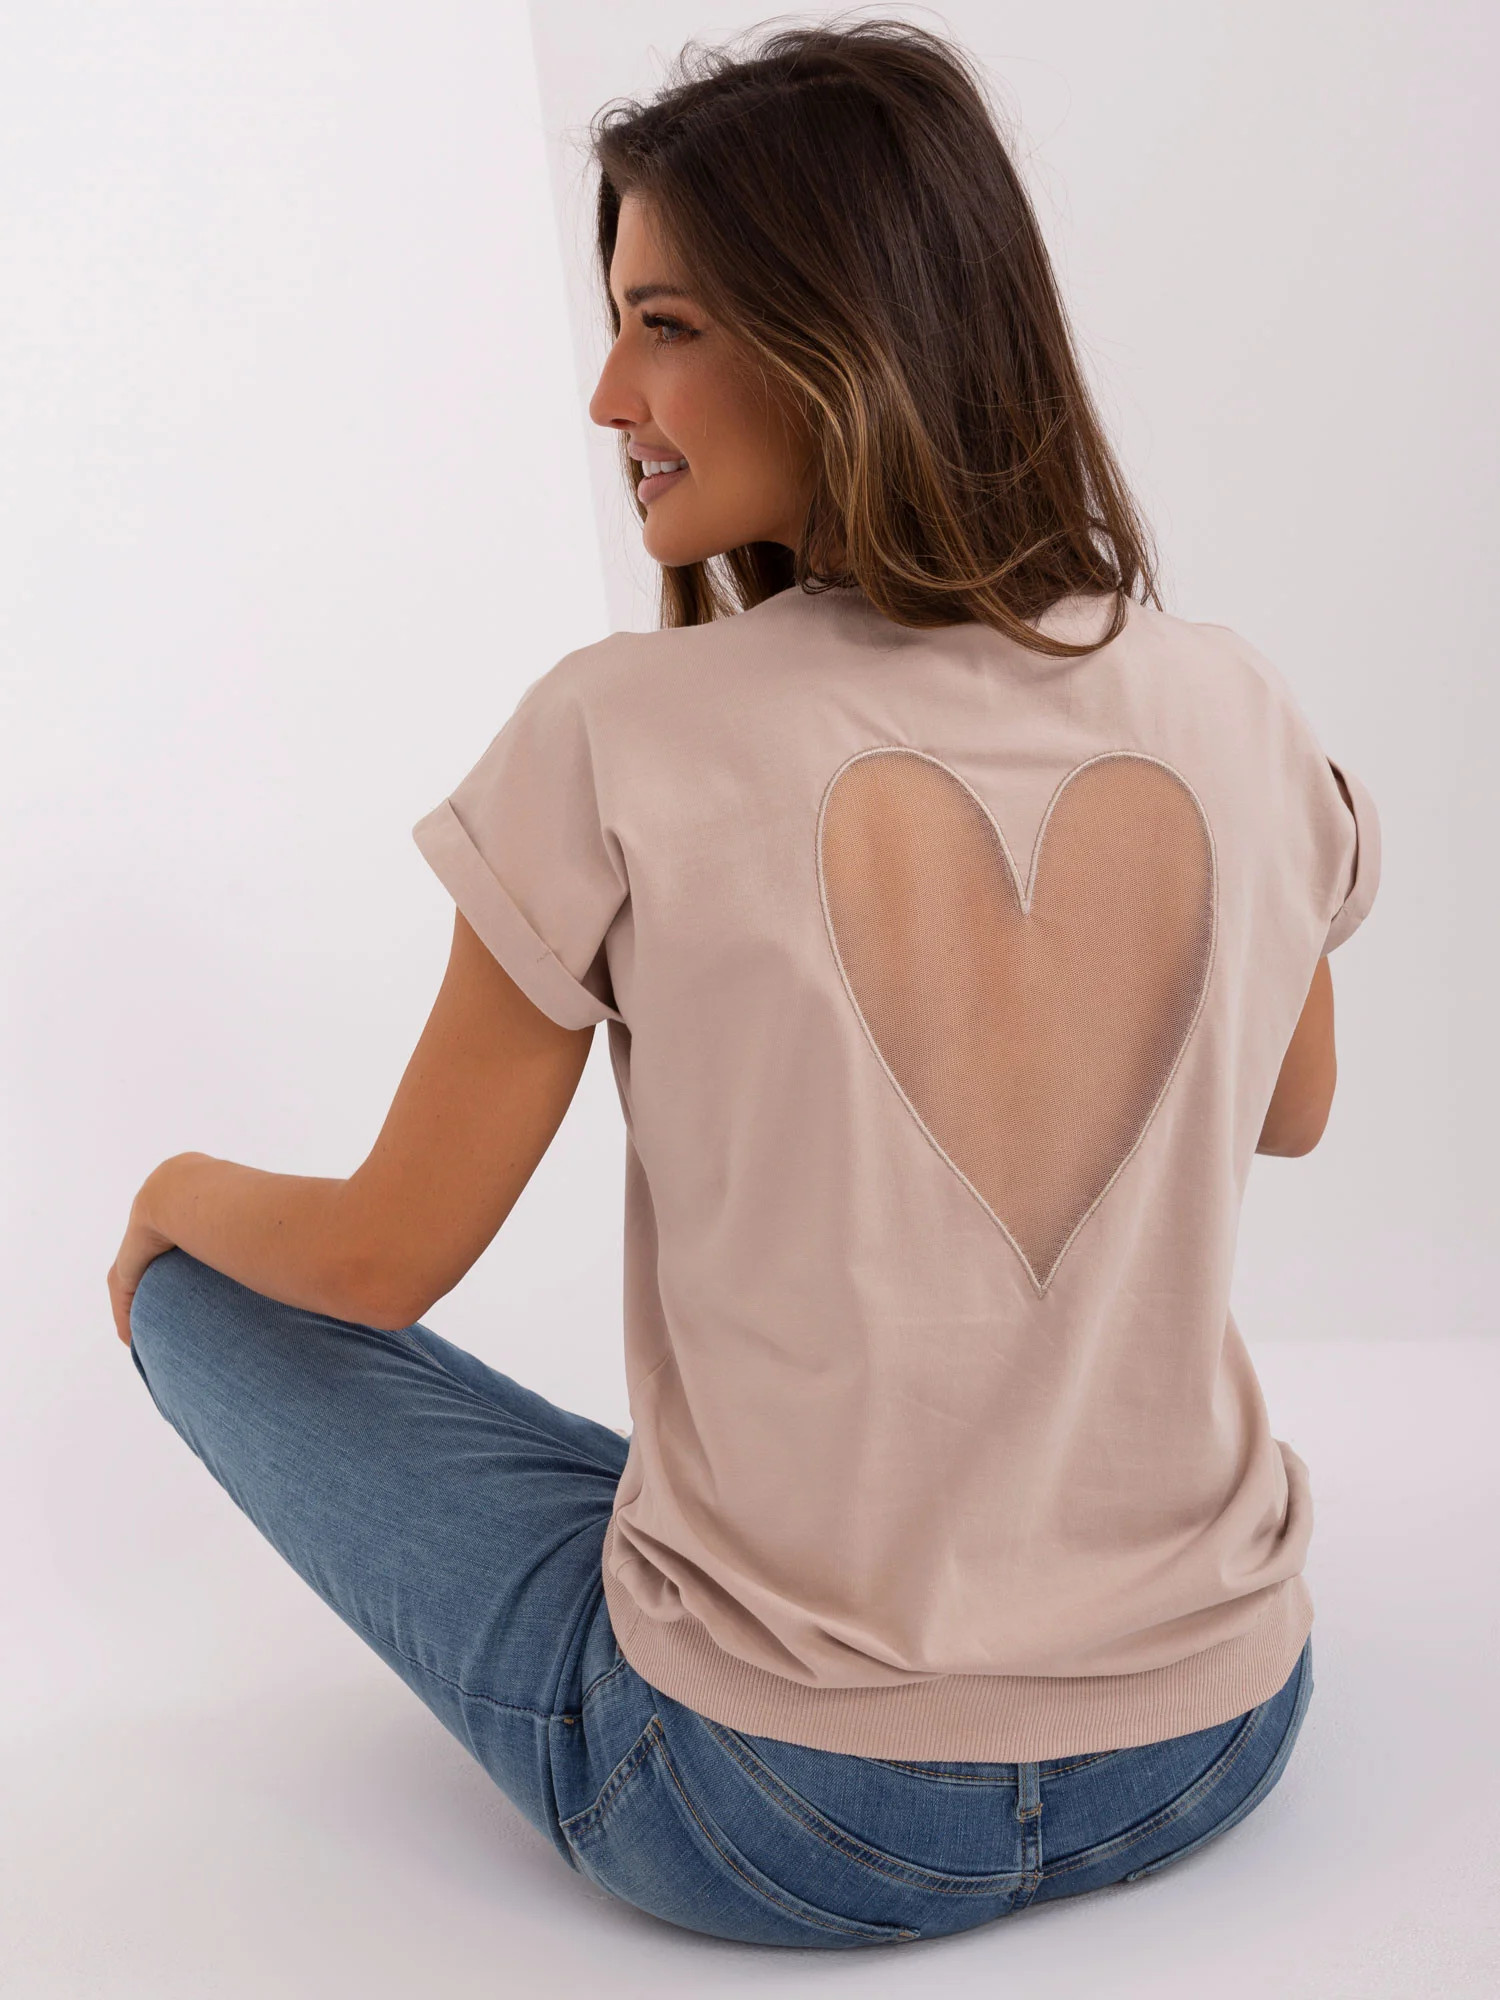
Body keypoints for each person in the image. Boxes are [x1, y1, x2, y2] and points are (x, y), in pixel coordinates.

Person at [113, 19, 1378, 1950]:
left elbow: (378, 1263)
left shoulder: (623, 731)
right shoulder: (1236, 705)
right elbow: (1295, 1112)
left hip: (780, 1805)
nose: (609, 393)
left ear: (842, 333)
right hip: (1211, 1728)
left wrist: (164, 1198)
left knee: (204, 1299)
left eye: (668, 326)